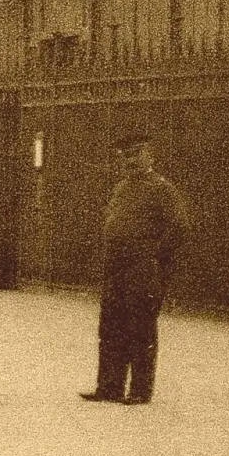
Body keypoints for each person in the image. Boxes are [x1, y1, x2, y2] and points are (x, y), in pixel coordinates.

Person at [80, 130, 189, 405]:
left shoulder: (161, 188)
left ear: (149, 155)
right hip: (116, 269)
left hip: (142, 269)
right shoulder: (122, 187)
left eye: (136, 155)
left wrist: (155, 258)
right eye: (125, 156)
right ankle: (109, 386)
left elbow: (179, 228)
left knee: (140, 328)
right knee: (111, 327)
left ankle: (140, 390)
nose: (130, 161)